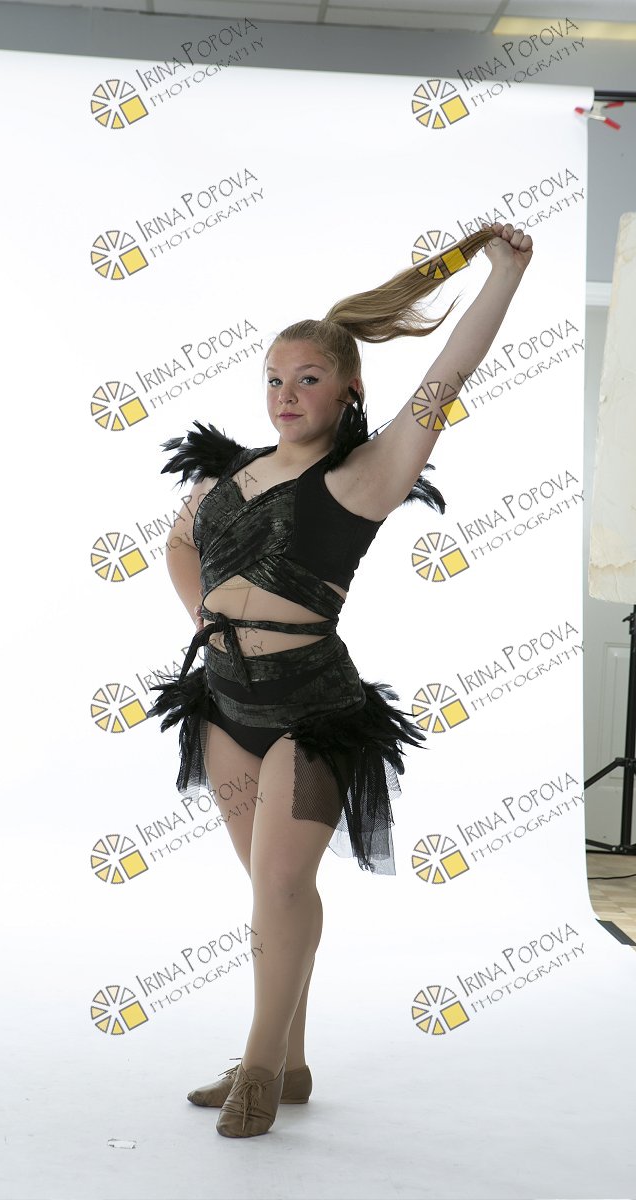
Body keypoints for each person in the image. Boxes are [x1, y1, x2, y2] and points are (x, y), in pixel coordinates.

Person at [148, 221, 533, 1138]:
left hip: (311, 713)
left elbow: (448, 377)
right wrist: (208, 624)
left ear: (350, 388)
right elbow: (177, 543)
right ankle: (291, 1063)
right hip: (225, 707)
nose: (286, 395)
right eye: (274, 380)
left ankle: (257, 1067)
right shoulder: (229, 474)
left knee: (284, 887)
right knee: (270, 893)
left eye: (308, 379)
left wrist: (505, 275)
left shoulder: (365, 475)